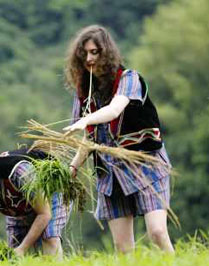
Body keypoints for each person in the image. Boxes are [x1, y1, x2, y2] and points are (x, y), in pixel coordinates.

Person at [62, 25, 174, 254]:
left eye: (95, 52)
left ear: (107, 53)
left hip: (145, 164)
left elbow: (114, 110)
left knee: (157, 233)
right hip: (111, 175)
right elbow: (88, 140)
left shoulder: (129, 79)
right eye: (84, 55)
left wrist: (87, 119)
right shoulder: (83, 93)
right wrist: (72, 167)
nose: (90, 60)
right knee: (123, 248)